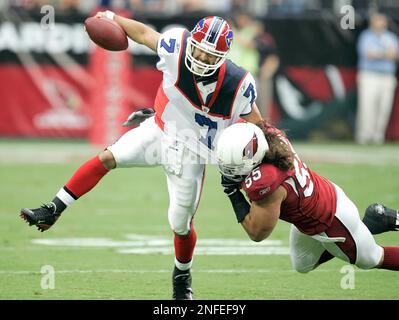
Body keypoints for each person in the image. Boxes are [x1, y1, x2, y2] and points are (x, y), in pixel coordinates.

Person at [19, 12, 263, 300]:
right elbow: (144, 34)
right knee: (108, 157)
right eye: (198, 48)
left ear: (223, 57)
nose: (201, 58)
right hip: (158, 131)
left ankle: (181, 276)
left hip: (192, 153)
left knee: (180, 225)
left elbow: (256, 125)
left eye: (211, 55)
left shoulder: (238, 84)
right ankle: (53, 208)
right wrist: (111, 17)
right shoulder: (175, 46)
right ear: (192, 41)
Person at [216, 121, 399, 274]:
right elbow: (251, 115)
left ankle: (378, 218)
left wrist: (232, 193)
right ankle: (370, 224)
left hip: (331, 221)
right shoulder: (268, 135)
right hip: (316, 202)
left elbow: (257, 233)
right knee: (303, 264)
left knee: (372, 258)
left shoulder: (268, 183)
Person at [356, 12, 399, 145]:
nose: (380, 24)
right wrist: (385, 54)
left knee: (384, 108)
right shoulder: (366, 36)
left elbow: (394, 54)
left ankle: (378, 136)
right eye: (377, 21)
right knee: (367, 107)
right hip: (369, 75)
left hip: (387, 76)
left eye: (382, 21)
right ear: (372, 23)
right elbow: (369, 54)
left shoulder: (391, 37)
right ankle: (364, 136)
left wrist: (379, 53)